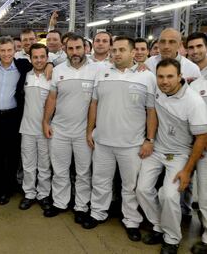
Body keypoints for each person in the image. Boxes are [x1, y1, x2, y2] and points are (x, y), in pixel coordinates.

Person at [84, 37, 157, 243]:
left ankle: (132, 221)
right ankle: (98, 212)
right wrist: (90, 130)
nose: (117, 53)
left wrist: (149, 139)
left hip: (131, 144)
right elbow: (94, 104)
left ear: (133, 53)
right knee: (100, 180)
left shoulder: (147, 77)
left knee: (130, 186)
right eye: (114, 50)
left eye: (122, 50)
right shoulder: (102, 72)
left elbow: (151, 111)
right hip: (103, 142)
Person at [136, 58, 207, 254]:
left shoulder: (193, 101)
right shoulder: (158, 91)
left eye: (170, 77)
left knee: (168, 195)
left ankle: (172, 238)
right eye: (160, 76)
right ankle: (159, 226)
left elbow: (202, 137)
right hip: (157, 150)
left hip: (180, 155)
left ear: (179, 77)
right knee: (142, 189)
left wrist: (187, 171)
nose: (164, 81)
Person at [43, 34, 99, 219]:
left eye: (78, 48)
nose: (74, 52)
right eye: (70, 49)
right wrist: (46, 122)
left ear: (85, 48)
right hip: (60, 130)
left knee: (83, 172)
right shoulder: (59, 70)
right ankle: (60, 202)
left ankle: (81, 207)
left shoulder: (97, 70)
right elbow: (52, 98)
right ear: (65, 50)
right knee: (59, 170)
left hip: (85, 132)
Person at [0, 36, 33, 206]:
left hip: (13, 117)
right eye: (3, 50)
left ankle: (6, 191)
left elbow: (41, 64)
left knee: (11, 156)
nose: (6, 54)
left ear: (14, 51)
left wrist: (49, 65)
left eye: (9, 50)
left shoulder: (22, 67)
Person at [19, 43, 52, 211]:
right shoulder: (24, 76)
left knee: (45, 165)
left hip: (47, 130)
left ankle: (43, 195)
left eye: (42, 57)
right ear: (30, 58)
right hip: (26, 129)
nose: (39, 60)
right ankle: (29, 194)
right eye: (35, 57)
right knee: (28, 164)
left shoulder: (53, 77)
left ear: (47, 58)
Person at [188, 35, 207, 253]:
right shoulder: (195, 81)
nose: (195, 51)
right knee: (203, 194)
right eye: (191, 48)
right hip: (200, 146)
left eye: (199, 46)